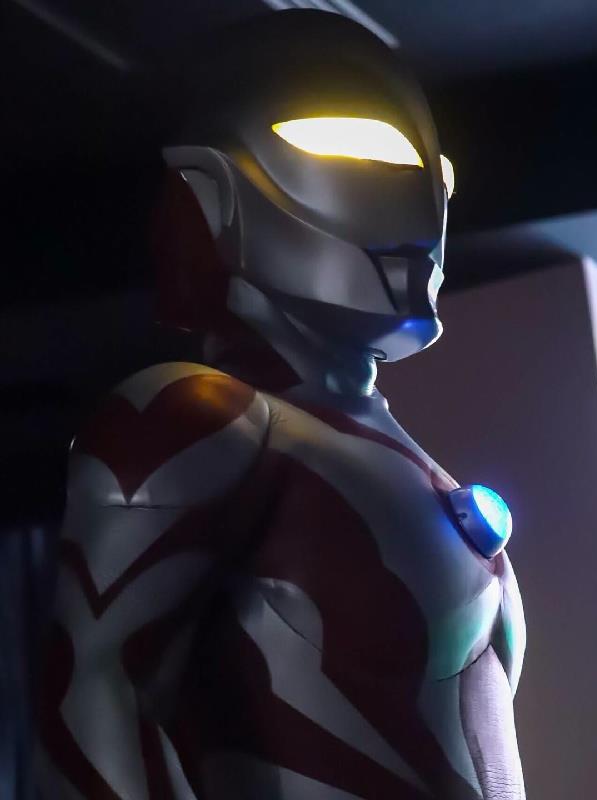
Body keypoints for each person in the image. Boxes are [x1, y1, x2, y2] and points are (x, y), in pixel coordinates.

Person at [36, 10, 526, 799]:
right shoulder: (197, 418)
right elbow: (91, 701)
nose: (418, 191)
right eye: (347, 144)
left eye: (437, 172)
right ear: (213, 191)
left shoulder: (397, 458)